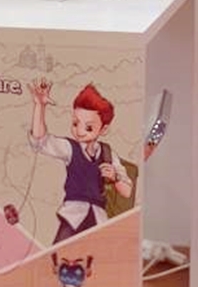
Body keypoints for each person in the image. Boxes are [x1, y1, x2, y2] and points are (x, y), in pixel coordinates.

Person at [27, 80, 133, 241]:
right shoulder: (70, 148)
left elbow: (127, 191)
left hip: (98, 219)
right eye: (75, 123)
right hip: (73, 215)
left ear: (104, 129)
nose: (80, 131)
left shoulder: (107, 153)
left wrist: (115, 177)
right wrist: (39, 106)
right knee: (59, 252)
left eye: (88, 127)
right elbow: (40, 141)